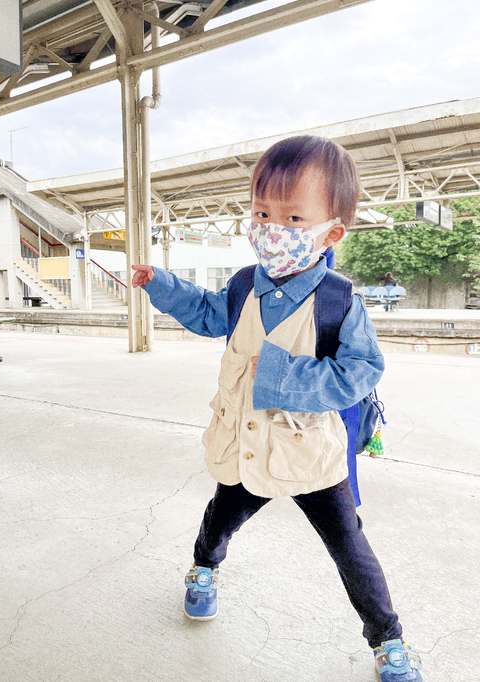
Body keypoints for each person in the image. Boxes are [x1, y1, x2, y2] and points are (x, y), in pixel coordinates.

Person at [131, 136, 423, 682]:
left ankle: (388, 639)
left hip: (310, 452)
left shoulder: (339, 301)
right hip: (245, 443)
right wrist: (163, 286)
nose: (271, 228)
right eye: (263, 211)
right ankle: (204, 569)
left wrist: (286, 377)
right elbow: (208, 314)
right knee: (220, 518)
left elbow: (362, 371)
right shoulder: (245, 284)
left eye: (292, 217)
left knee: (349, 548)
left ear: (331, 232)